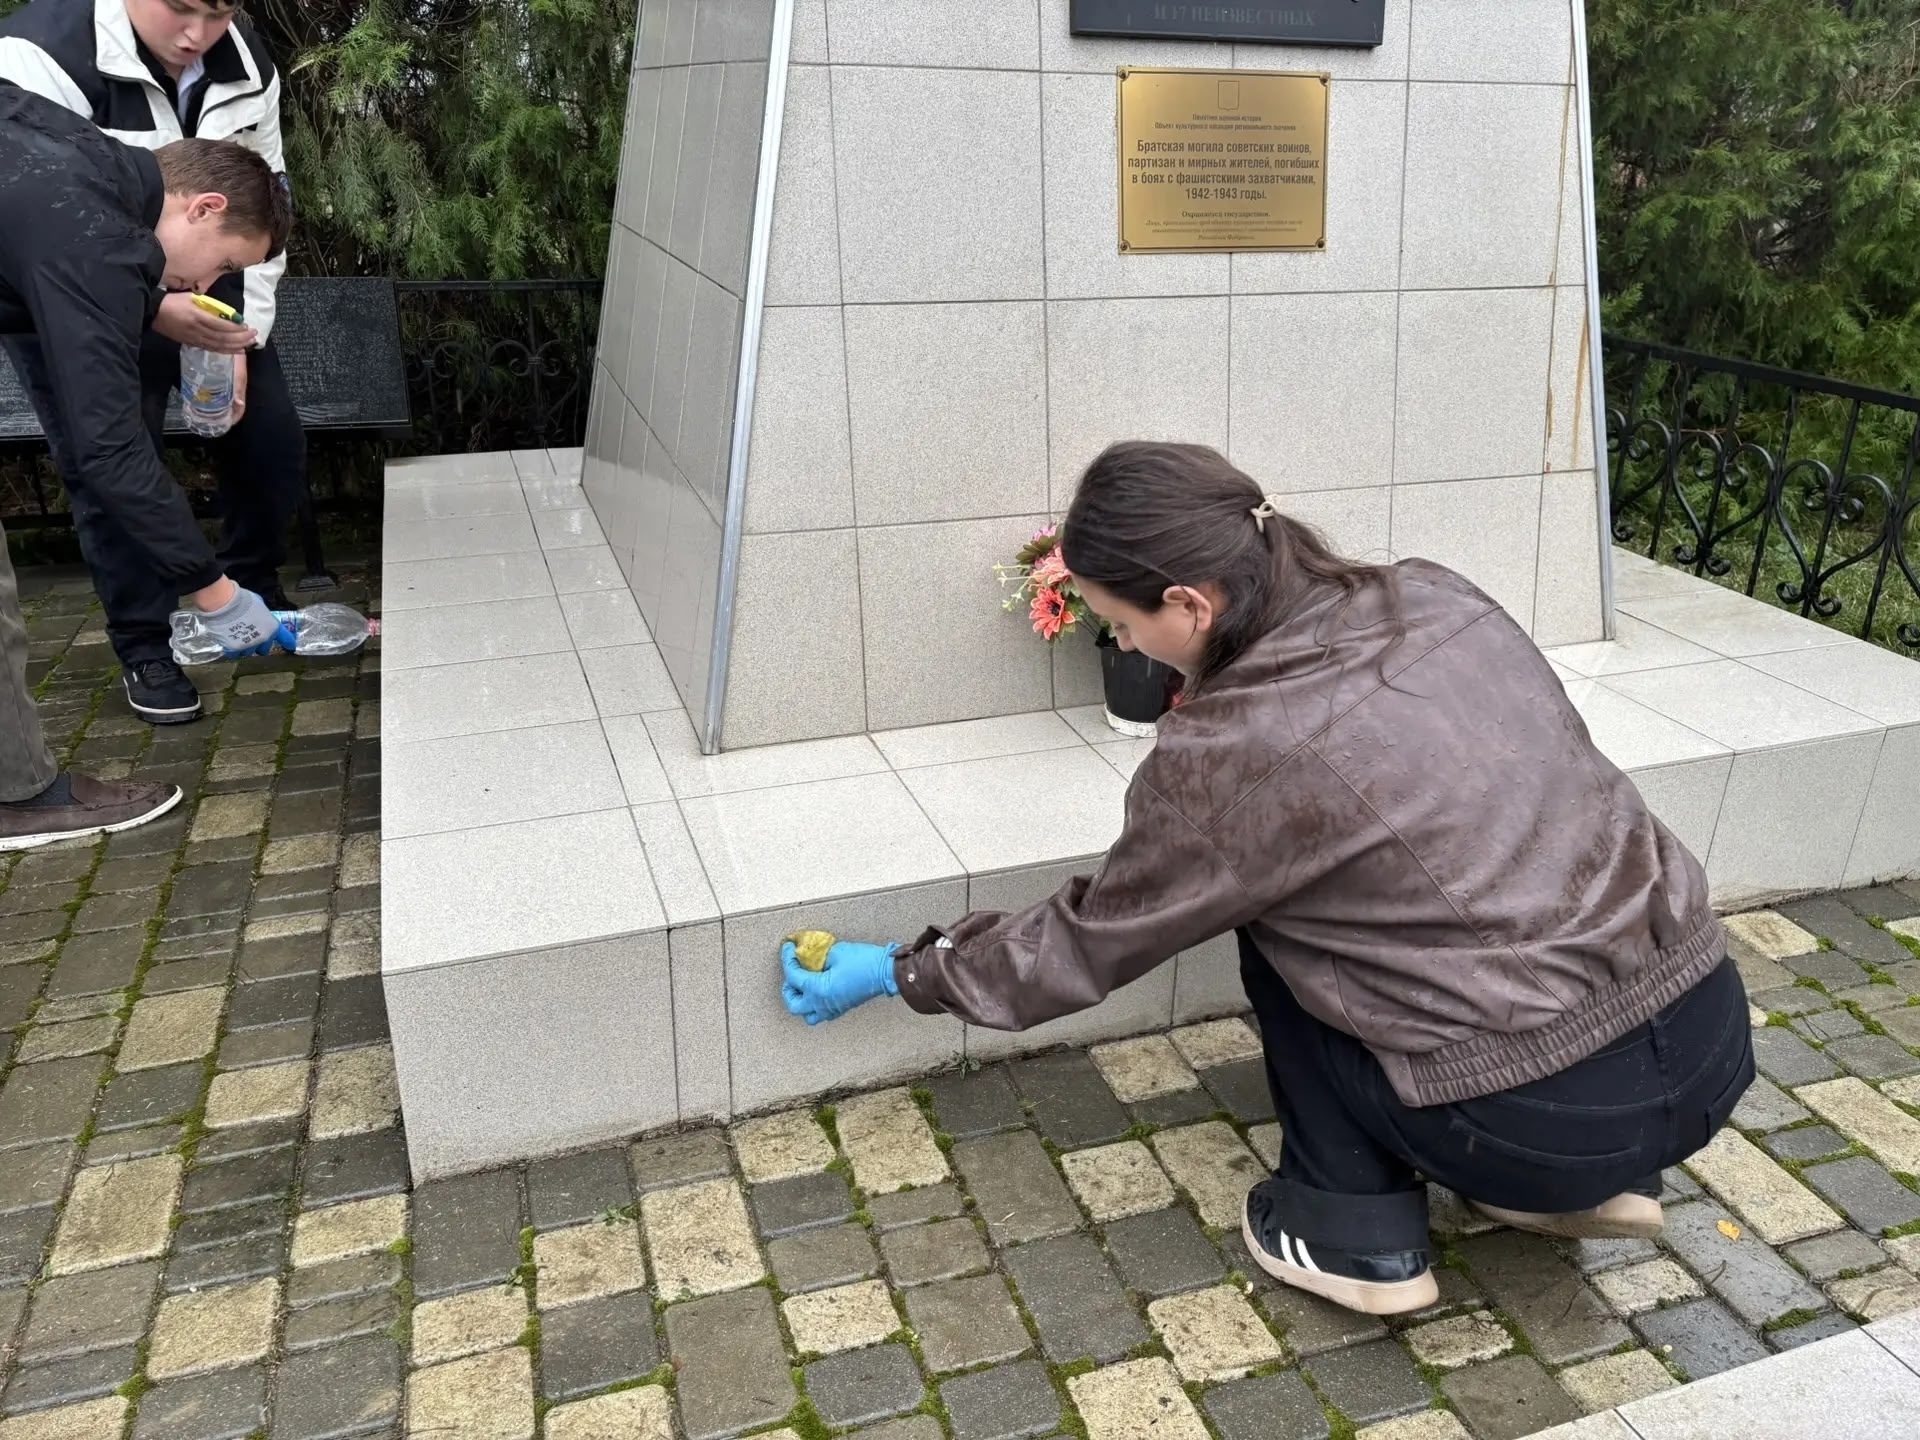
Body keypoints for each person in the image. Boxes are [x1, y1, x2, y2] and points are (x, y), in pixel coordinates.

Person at [780, 441, 1755, 1317]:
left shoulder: (1233, 755)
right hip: (1707, 1028)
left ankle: (1354, 1237)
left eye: (1121, 624)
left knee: (1276, 926)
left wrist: (905, 971)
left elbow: (1090, 939)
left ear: (1190, 605)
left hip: (1538, 1115)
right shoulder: (1431, 593)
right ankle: (1582, 1187)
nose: (1123, 647)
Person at [0, 85, 294, 846]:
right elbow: (109, 450)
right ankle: (17, 796)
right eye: (222, 263)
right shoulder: (98, 236)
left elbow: (45, 257)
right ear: (203, 207)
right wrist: (217, 593)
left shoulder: (78, 154)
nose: (205, 286)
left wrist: (148, 302)